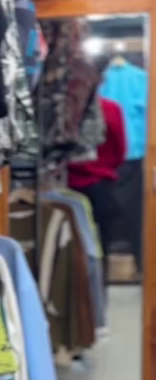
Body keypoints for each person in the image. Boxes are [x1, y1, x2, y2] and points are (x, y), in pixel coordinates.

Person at [68, 95, 126, 305]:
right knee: (102, 245)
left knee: (71, 246)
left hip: (69, 184)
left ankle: (75, 302)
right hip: (101, 183)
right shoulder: (111, 108)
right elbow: (120, 149)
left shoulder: (67, 107)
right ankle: (98, 301)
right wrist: (104, 166)